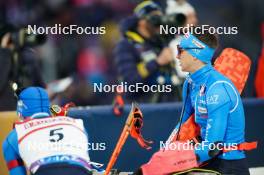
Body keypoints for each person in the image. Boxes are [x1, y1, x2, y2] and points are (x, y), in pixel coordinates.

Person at [172, 30, 250, 174]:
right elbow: (181, 127)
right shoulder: (190, 83)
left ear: (196, 54)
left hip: (229, 164)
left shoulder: (217, 88)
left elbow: (213, 147)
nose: (177, 56)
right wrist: (167, 152)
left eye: (180, 50)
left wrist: (176, 160)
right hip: (208, 160)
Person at [2, 87, 103, 175]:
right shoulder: (76, 124)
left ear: (20, 108)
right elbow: (85, 160)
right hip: (79, 170)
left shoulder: (14, 135)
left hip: (45, 171)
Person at [114, 1, 182, 103]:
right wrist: (157, 62)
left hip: (168, 104)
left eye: (160, 17)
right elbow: (130, 83)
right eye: (154, 18)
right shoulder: (126, 45)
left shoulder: (161, 42)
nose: (159, 22)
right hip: (143, 108)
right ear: (141, 21)